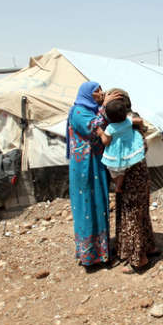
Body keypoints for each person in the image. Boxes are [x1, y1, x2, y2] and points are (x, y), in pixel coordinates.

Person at [103, 89, 158, 275]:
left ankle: (139, 259)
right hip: (140, 175)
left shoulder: (123, 124)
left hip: (131, 177)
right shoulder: (132, 121)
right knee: (140, 214)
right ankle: (148, 248)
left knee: (133, 216)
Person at [67, 81, 113, 267]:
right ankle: (89, 254)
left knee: (100, 203)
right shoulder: (78, 112)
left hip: (96, 163)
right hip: (84, 167)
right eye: (97, 91)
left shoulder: (92, 110)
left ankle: (101, 251)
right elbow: (92, 127)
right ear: (87, 94)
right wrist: (104, 107)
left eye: (101, 89)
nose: (101, 93)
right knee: (87, 205)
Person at [99, 99, 146, 193]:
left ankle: (117, 185)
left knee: (114, 171)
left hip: (115, 153)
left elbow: (106, 141)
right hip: (129, 149)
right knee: (122, 171)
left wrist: (100, 133)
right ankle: (119, 185)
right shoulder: (128, 121)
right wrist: (142, 128)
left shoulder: (110, 128)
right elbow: (139, 121)